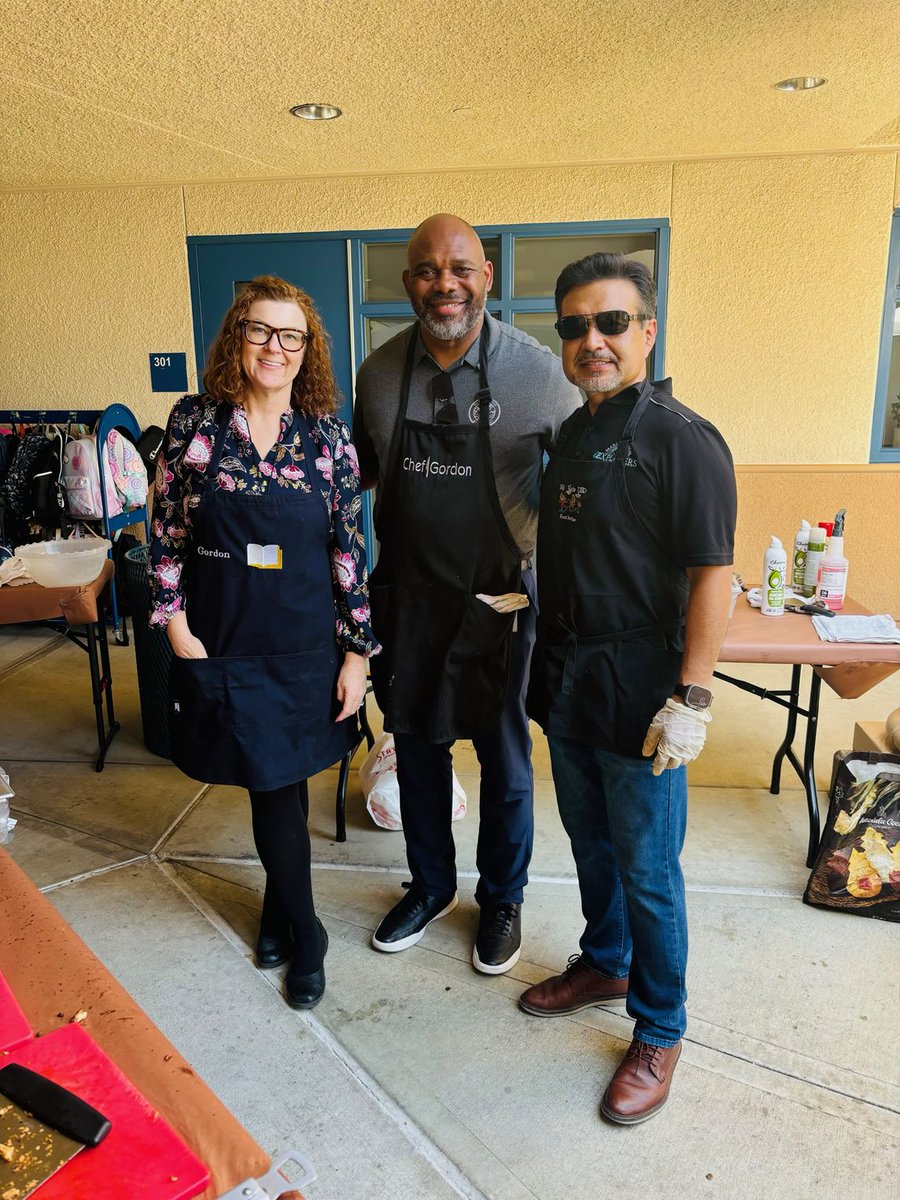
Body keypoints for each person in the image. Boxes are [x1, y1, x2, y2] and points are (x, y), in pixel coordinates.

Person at [521, 252, 736, 1124]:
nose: (592, 341)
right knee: (589, 841)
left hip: (645, 686)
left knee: (648, 865)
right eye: (574, 326)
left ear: (647, 330)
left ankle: (661, 1024)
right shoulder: (576, 429)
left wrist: (693, 697)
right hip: (569, 676)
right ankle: (604, 959)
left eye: (611, 323)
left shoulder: (681, 438)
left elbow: (712, 574)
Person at [354, 214, 581, 973]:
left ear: (485, 276)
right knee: (416, 752)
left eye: (459, 269)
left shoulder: (536, 372)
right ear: (407, 282)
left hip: (500, 603)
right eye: (425, 270)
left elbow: (584, 480)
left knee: (506, 762)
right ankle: (430, 886)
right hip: (409, 598)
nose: (443, 284)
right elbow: (356, 474)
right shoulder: (380, 374)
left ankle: (503, 898)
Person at [148, 275, 378, 1011]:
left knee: (277, 784)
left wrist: (357, 654)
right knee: (263, 777)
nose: (273, 347)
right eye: (259, 331)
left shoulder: (327, 437)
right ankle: (295, 923)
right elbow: (164, 532)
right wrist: (176, 624)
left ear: (306, 350)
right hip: (226, 640)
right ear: (235, 338)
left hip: (306, 645)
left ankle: (298, 928)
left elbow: (349, 552)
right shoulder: (194, 422)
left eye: (290, 336)